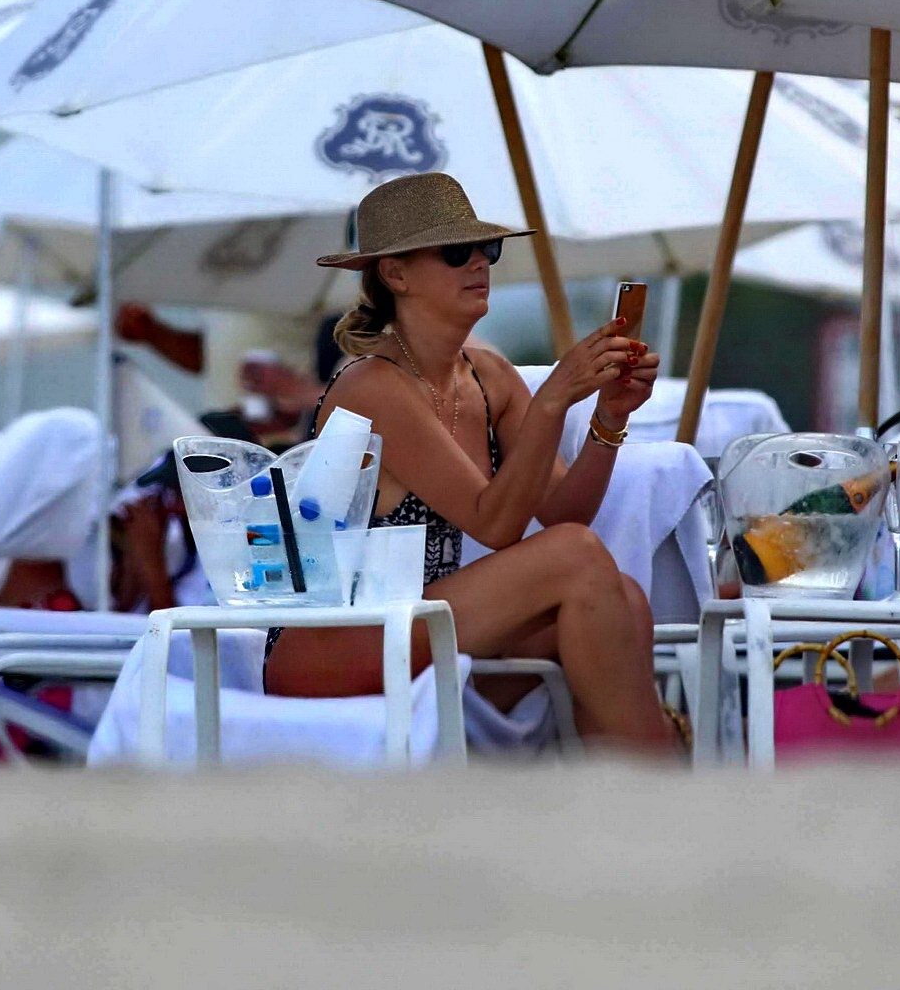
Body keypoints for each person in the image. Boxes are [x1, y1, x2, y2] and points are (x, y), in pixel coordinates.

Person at [262, 173, 675, 752]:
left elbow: (565, 511)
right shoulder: (370, 386)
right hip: (330, 640)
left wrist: (609, 417)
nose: (480, 264)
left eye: (489, 249)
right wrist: (555, 398)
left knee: (622, 599)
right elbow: (498, 525)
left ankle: (625, 787)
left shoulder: (490, 378)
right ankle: (661, 784)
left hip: (419, 628)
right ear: (395, 273)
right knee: (576, 560)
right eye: (457, 253)